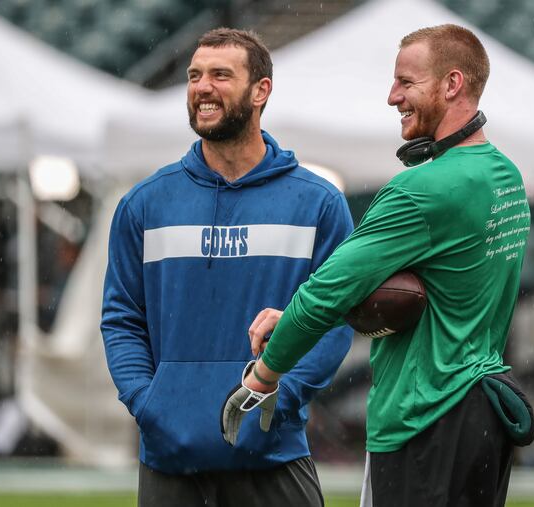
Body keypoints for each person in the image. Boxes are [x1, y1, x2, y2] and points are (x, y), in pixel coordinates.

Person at [222, 24, 534, 507]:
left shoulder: (420, 191)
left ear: (452, 84)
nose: (393, 97)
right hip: (483, 416)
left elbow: (326, 292)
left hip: (423, 416)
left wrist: (263, 376)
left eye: (406, 83)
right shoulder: (506, 177)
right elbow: (448, 290)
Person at [101, 28, 354, 507]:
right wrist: (148, 403)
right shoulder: (145, 204)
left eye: (221, 75)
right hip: (169, 459)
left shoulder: (318, 204)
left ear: (261, 90)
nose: (202, 87)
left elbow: (335, 321)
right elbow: (122, 320)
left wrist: (279, 398)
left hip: (273, 453)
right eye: (195, 76)